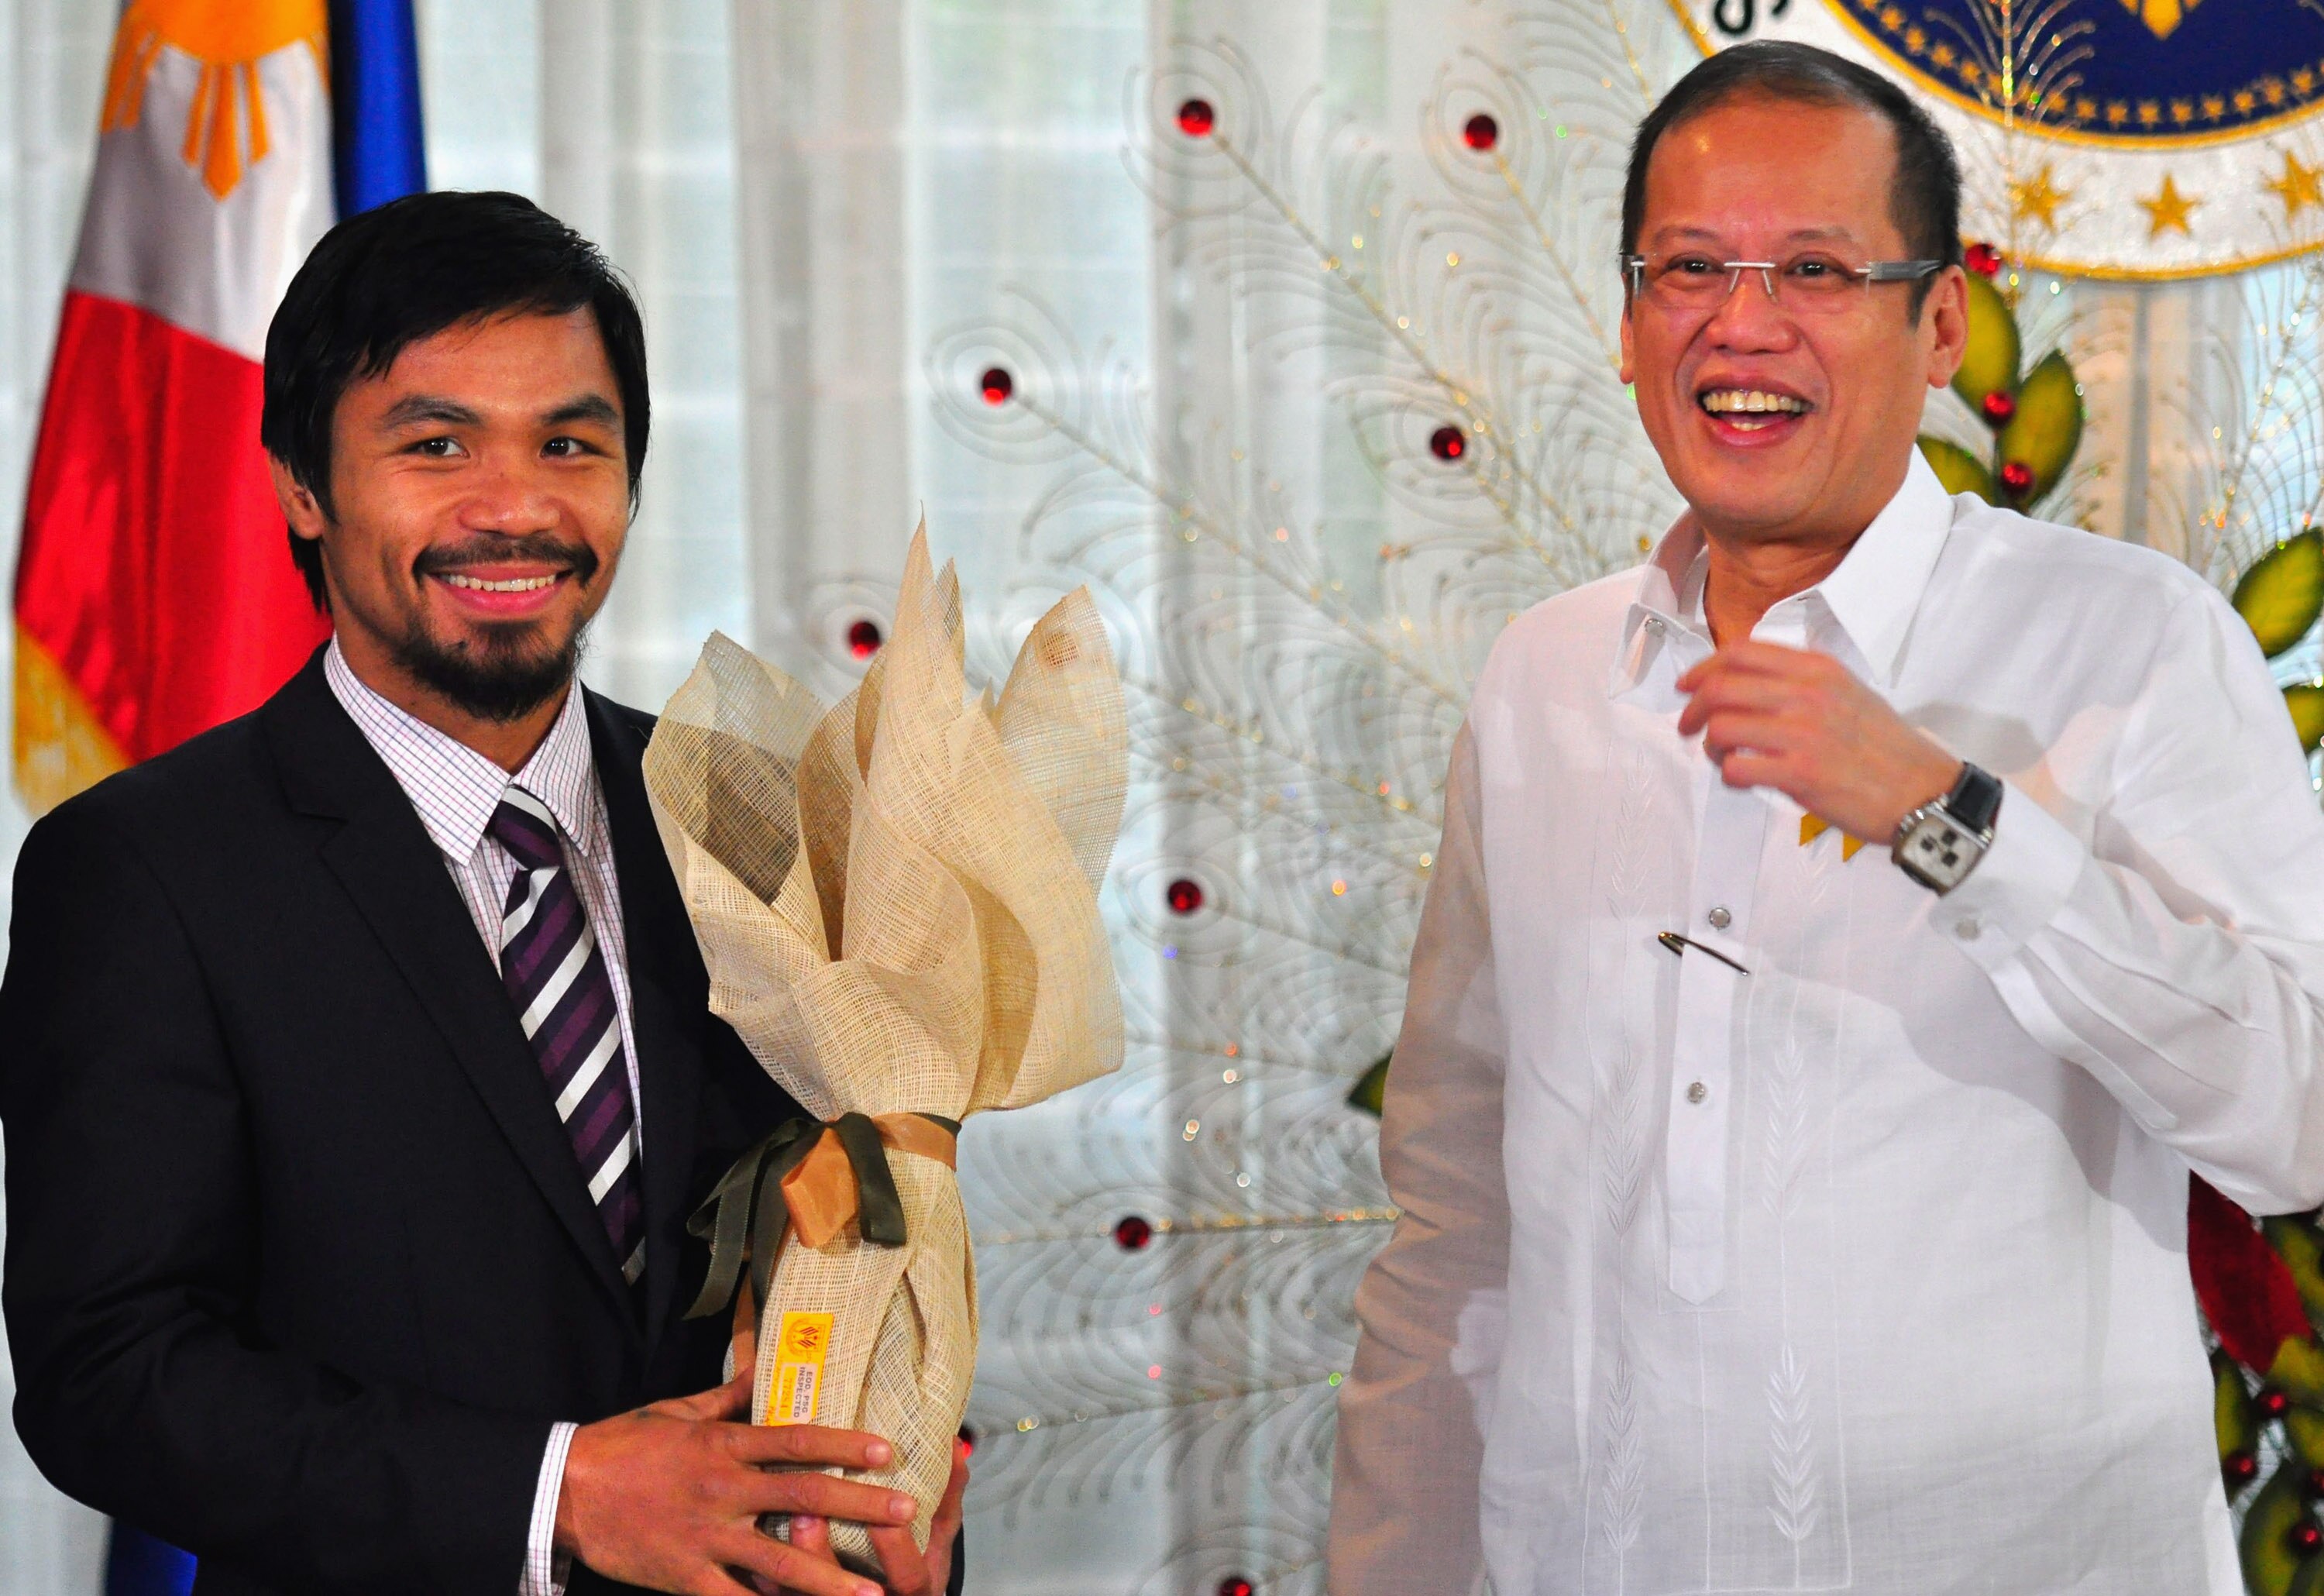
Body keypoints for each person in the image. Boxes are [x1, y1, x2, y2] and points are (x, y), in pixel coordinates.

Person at [1328, 40, 2324, 1596]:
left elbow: (2297, 1115)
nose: (1742, 321)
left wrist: (1952, 818)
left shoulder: (2129, 644)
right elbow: (1454, 1225)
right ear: (1626, 316)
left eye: (1814, 267)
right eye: (1690, 269)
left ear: (1940, 321)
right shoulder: (1544, 679)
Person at [1, 191, 964, 1596]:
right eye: (435, 443)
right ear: (300, 486)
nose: (515, 509)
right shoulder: (143, 871)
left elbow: (861, 1224)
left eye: (570, 444)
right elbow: (111, 1374)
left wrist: (905, 1489)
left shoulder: (754, 820)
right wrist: (556, 1494)